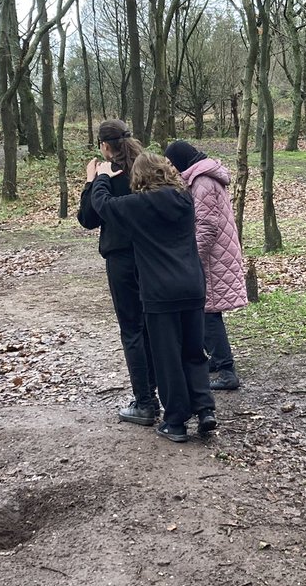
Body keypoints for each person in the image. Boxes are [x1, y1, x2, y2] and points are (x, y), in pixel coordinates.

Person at [91, 151, 217, 444]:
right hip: (193, 286)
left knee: (167, 358)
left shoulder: (138, 205)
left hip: (160, 293)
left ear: (140, 176)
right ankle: (205, 408)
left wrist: (101, 178)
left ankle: (175, 422)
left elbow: (103, 206)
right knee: (194, 352)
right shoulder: (185, 199)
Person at [77, 121, 159, 427]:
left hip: (122, 259)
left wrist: (91, 180)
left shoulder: (108, 175)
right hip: (151, 256)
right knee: (151, 325)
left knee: (132, 329)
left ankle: (144, 402)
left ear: (104, 146)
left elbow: (88, 218)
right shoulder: (146, 168)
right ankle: (160, 393)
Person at [164, 140, 247, 392]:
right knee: (205, 311)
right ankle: (216, 360)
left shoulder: (202, 182)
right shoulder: (201, 177)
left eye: (170, 162)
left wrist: (193, 259)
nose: (169, 168)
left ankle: (226, 370)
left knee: (209, 313)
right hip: (215, 255)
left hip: (212, 258)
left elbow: (207, 226)